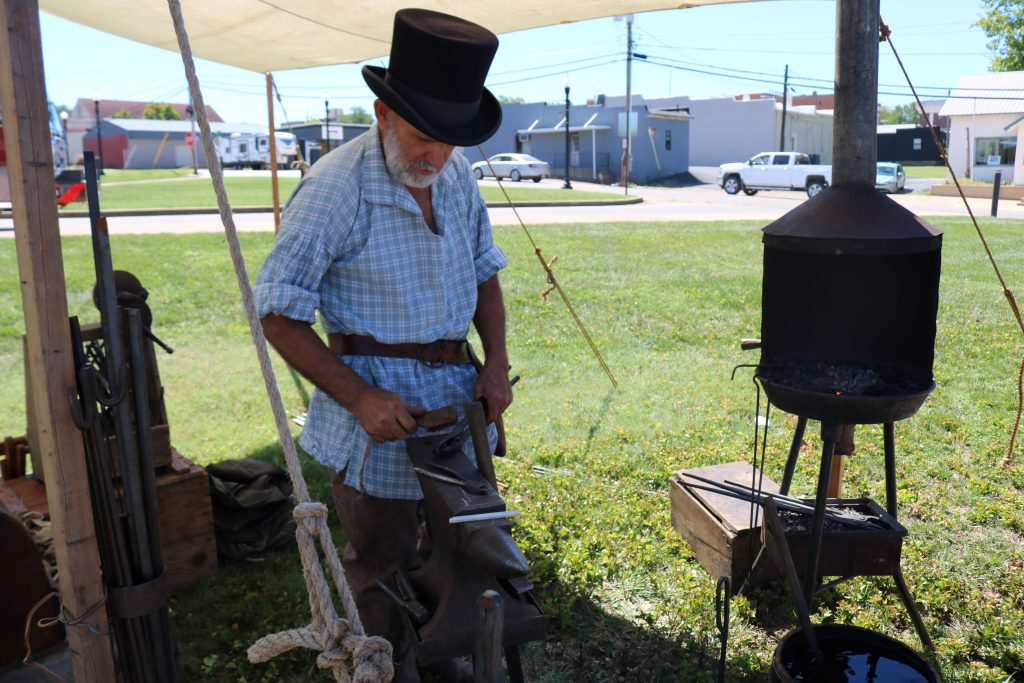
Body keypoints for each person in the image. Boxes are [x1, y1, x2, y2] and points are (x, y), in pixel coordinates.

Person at [253, 8, 511, 681]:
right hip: (378, 419)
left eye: (448, 143)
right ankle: (385, 667)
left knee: (462, 546)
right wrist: (360, 395)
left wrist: (498, 370)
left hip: (457, 406)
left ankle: (445, 655)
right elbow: (277, 313)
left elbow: (486, 275)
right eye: (423, 137)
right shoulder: (335, 187)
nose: (434, 157)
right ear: (384, 113)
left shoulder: (453, 175)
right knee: (382, 561)